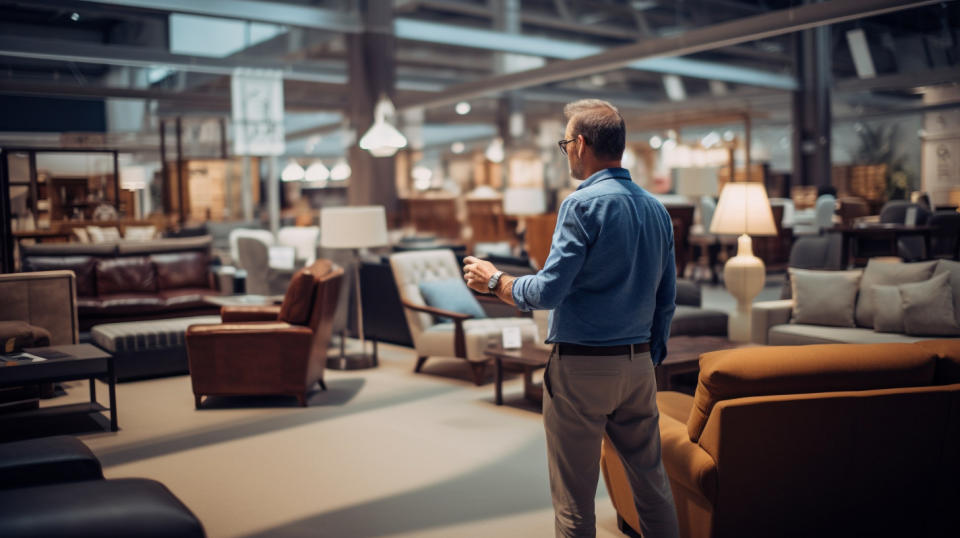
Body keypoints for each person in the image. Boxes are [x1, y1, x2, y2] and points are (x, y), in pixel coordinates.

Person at [462, 99, 680, 538]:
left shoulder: (581, 206)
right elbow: (666, 299)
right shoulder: (657, 210)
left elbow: (547, 291)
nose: (567, 153)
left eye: (565, 144)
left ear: (580, 144)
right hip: (638, 365)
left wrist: (494, 280)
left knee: (575, 502)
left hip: (582, 368)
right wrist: (647, 356)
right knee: (653, 487)